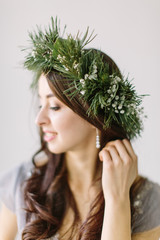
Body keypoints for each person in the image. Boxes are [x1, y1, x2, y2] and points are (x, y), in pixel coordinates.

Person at [0, 17, 160, 240]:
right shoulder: (21, 183)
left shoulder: (147, 199)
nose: (39, 119)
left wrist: (117, 200)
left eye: (54, 106)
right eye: (40, 104)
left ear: (93, 115)